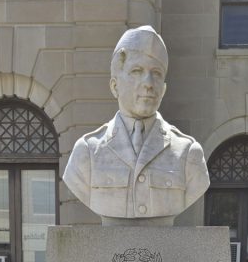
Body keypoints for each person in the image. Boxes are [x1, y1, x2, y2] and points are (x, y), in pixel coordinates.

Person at [62, 26, 209, 225]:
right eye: (137, 71)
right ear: (115, 86)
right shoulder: (86, 153)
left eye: (156, 73)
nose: (148, 83)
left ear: (163, 89)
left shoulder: (188, 154)